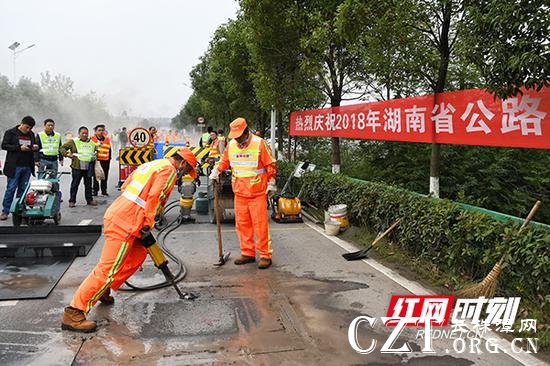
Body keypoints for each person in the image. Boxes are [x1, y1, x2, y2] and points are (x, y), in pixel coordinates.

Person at [61, 148, 198, 332]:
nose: (184, 173)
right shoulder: (169, 171)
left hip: (125, 214)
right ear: (181, 162)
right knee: (108, 268)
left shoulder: (153, 164)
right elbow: (155, 197)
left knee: (137, 255)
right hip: (126, 221)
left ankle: (103, 289)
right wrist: (148, 222)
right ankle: (74, 312)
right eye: (187, 169)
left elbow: (126, 186)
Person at [209, 118, 277, 269]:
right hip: (239, 193)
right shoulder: (231, 145)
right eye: (235, 136)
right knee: (242, 225)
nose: (237, 139)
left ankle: (265, 255)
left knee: (260, 226)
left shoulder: (259, 143)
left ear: (247, 131)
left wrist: (271, 183)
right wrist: (216, 171)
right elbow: (224, 161)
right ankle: (248, 253)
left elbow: (270, 164)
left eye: (240, 136)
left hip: (257, 193)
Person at [0, 116, 39, 221]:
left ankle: (19, 210)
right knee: (11, 188)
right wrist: (18, 147)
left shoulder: (31, 134)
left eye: (30, 128)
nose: (28, 130)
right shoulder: (10, 132)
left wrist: (34, 148)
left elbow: (31, 147)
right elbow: (4, 145)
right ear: (21, 123)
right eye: (26, 127)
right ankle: (5, 211)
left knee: (23, 189)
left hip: (26, 166)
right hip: (14, 166)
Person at [60, 126, 98, 208]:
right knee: (75, 184)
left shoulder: (92, 143)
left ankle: (89, 200)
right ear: (79, 134)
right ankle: (72, 201)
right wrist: (67, 154)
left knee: (88, 185)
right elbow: (62, 148)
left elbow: (95, 153)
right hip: (77, 167)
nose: (84, 135)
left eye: (86, 133)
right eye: (83, 133)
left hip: (88, 167)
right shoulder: (73, 141)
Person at [90, 124, 111, 197]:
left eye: (102, 130)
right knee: (96, 176)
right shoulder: (91, 139)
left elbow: (109, 149)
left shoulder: (107, 139)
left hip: (105, 160)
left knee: (104, 176)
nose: (101, 132)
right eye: (99, 130)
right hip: (96, 160)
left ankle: (104, 191)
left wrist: (109, 159)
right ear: (95, 131)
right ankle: (95, 191)